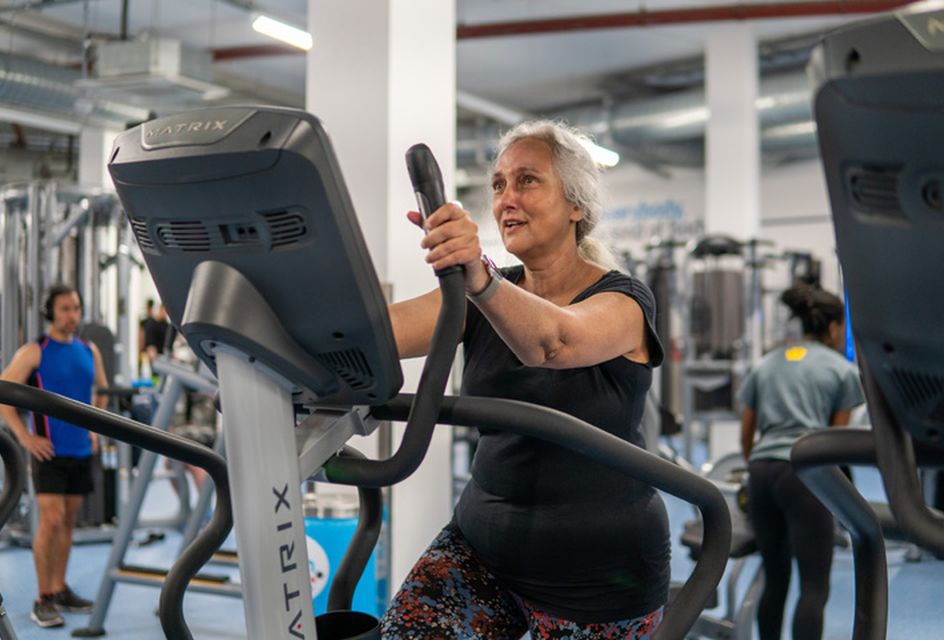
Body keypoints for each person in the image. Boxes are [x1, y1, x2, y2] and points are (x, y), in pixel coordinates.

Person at [381, 120, 669, 638]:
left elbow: (555, 343)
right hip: (483, 548)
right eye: (498, 185)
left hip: (599, 578)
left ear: (576, 206)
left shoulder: (625, 300)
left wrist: (480, 275)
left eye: (527, 181)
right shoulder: (477, 298)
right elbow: (378, 334)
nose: (506, 198)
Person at [739, 284, 865, 640]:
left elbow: (747, 431)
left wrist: (755, 465)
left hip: (762, 472)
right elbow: (836, 443)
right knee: (813, 588)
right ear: (835, 328)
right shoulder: (840, 369)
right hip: (806, 476)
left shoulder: (767, 364)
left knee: (774, 580)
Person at [0, 284, 108, 629]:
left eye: (76, 308)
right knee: (52, 520)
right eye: (64, 309)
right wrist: (25, 437)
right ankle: (42, 598)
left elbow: (101, 391)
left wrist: (95, 428)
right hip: (48, 450)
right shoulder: (35, 351)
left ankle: (60, 588)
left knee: (69, 520)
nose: (72, 315)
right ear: (51, 312)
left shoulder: (90, 350)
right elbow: (3, 393)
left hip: (80, 448)